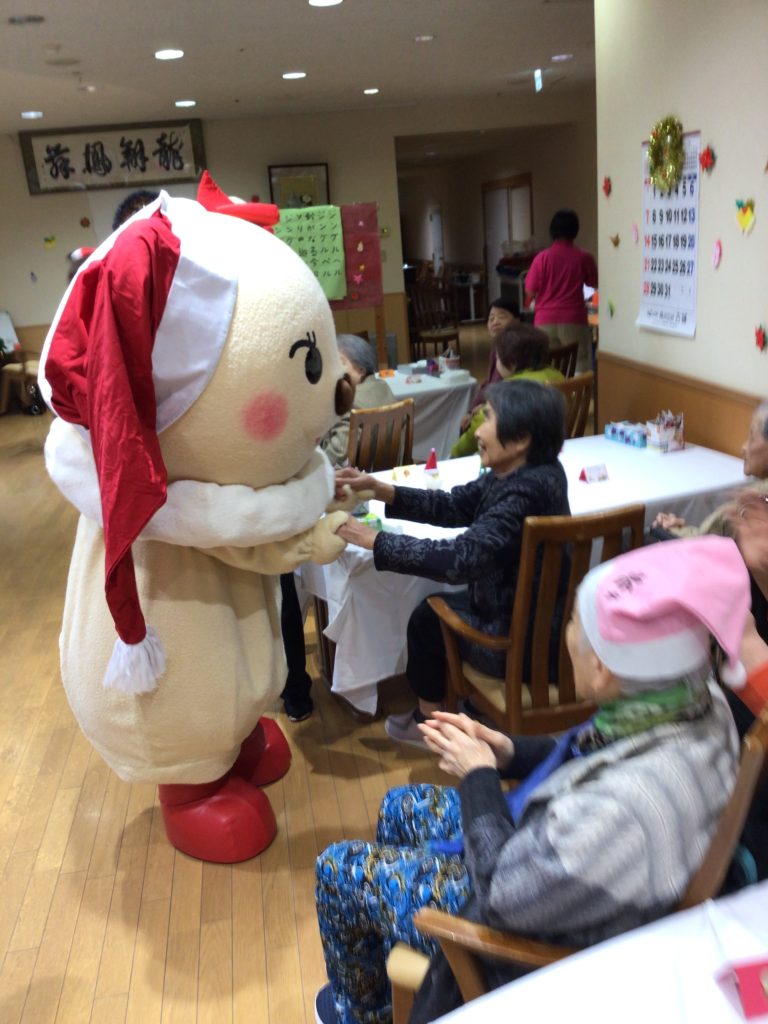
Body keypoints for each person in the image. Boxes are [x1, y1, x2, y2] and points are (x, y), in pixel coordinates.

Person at [313, 536, 746, 1024]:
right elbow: (595, 751)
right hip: (565, 868)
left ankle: (361, 1011)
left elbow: (501, 894)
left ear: (602, 669)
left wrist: (478, 774)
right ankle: (392, 971)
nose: (567, 634)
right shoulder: (695, 696)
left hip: (528, 930)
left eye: (573, 624)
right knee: (400, 806)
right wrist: (508, 752)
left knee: (337, 869)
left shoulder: (626, 805)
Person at [335, 379, 570, 747]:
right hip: (538, 625)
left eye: (488, 418)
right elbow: (453, 505)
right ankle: (463, 706)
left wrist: (374, 540)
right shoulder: (533, 472)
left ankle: (430, 726)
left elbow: (460, 560)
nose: (478, 430)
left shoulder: (522, 492)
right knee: (435, 609)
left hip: (515, 644)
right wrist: (381, 489)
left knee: (426, 619)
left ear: (521, 439)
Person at [653, 401, 768, 537]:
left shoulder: (756, 501)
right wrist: (681, 528)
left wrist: (671, 529)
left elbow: (706, 542)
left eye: (752, 437)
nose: (743, 447)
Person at [450, 324, 564, 458]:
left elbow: (477, 429)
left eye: (498, 358)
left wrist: (455, 454)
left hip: (519, 456)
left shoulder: (508, 390)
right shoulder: (558, 376)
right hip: (555, 448)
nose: (497, 362)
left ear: (512, 362)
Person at [524, 208, 598, 374]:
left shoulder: (541, 258)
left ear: (552, 230)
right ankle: (577, 391)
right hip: (573, 319)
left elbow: (530, 290)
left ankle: (553, 391)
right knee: (579, 360)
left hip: (544, 320)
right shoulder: (584, 257)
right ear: (575, 230)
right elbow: (593, 283)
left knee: (548, 365)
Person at [320, 334, 396, 467]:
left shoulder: (351, 402)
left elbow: (337, 452)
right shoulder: (384, 387)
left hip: (361, 476)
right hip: (390, 472)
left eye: (340, 363)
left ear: (360, 370)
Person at [460, 297, 520, 430]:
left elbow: (510, 387)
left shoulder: (517, 349)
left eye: (502, 317)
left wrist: (486, 406)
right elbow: (488, 383)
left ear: (517, 321)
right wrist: (472, 410)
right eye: (491, 318)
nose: (495, 322)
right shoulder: (496, 348)